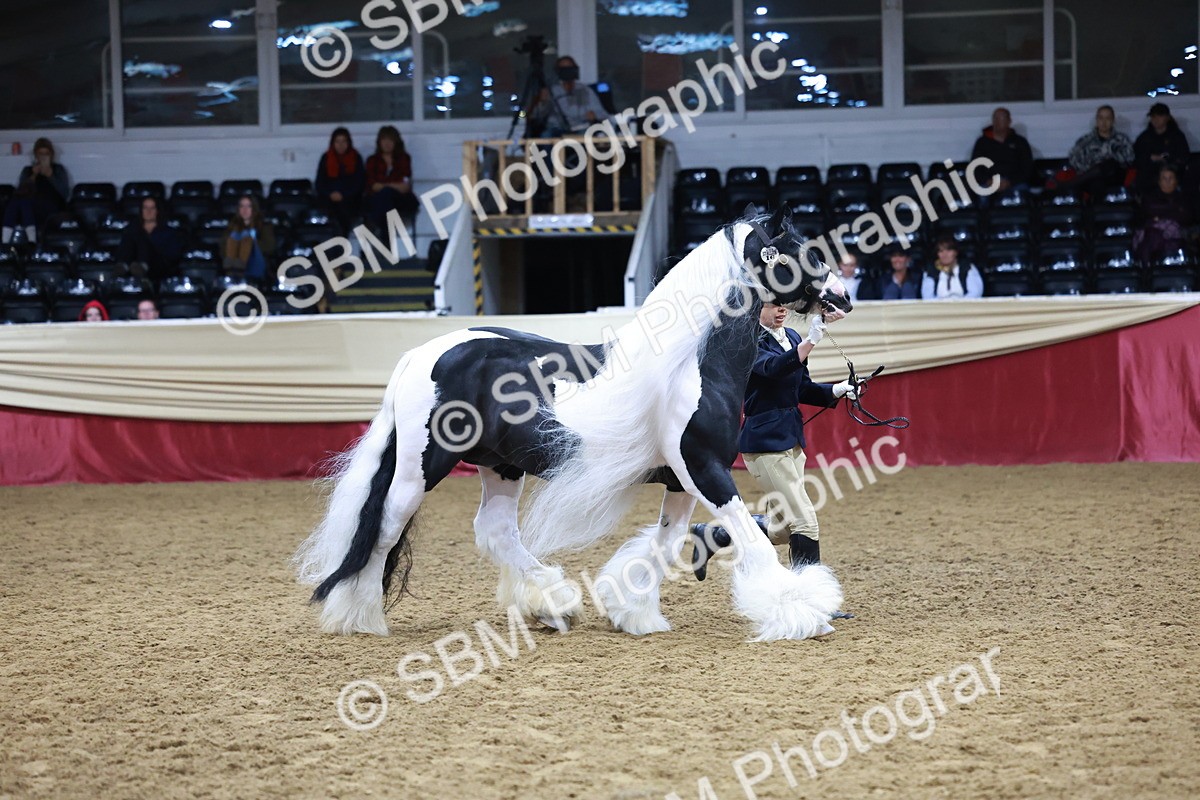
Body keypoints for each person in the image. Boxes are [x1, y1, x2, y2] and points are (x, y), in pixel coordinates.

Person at [690, 303, 858, 576]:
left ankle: (715, 535)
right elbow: (772, 368)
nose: (782, 311)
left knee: (781, 530)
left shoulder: (791, 336)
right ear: (757, 308)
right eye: (773, 306)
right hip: (765, 444)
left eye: (784, 306)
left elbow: (802, 388)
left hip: (792, 440)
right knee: (805, 522)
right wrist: (810, 342)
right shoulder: (746, 341)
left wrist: (836, 390)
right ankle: (810, 595)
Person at [1055, 105, 1135, 196]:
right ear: (1096, 120)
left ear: (1113, 121)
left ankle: (1070, 184)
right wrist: (1092, 168)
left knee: (1110, 164)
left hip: (1114, 176)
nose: (1104, 122)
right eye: (1101, 118)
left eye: (1108, 118)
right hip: (1090, 179)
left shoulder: (1121, 139)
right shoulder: (1085, 140)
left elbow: (1130, 158)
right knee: (1097, 183)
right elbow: (1073, 158)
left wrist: (1108, 156)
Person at [2, 137, 69, 244]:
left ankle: (25, 240)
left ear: (51, 155)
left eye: (46, 154)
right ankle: (7, 242)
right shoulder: (28, 170)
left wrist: (50, 175)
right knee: (18, 202)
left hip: (51, 206)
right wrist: (33, 176)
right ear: (36, 155)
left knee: (23, 202)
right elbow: (20, 191)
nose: (43, 157)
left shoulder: (58, 169)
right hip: (31, 205)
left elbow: (65, 192)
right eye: (40, 154)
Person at [527, 55, 609, 137]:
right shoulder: (552, 91)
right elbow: (535, 115)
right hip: (556, 130)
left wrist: (594, 115)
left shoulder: (585, 90)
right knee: (545, 136)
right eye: (563, 69)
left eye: (569, 68)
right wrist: (542, 101)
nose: (567, 71)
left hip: (581, 128)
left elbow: (603, 114)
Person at [364, 125, 419, 234]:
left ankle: (378, 234)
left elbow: (404, 187)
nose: (387, 143)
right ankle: (386, 236)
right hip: (377, 199)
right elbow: (373, 186)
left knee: (386, 194)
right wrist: (393, 186)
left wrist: (385, 186)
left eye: (390, 140)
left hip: (400, 199)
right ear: (379, 142)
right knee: (383, 201)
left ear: (396, 142)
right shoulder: (372, 160)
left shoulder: (404, 159)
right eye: (384, 140)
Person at [117, 196, 182, 283]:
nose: (148, 211)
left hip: (159, 268)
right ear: (141, 210)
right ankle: (124, 266)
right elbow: (123, 249)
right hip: (133, 265)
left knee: (144, 241)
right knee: (133, 235)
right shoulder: (132, 230)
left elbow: (173, 256)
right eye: (145, 208)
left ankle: (142, 266)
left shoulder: (168, 232)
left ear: (157, 211)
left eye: (152, 208)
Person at [1133, 165, 1192, 262]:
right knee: (1152, 236)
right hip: (1153, 234)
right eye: (1164, 178)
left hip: (1179, 234)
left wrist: (1160, 216)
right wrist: (1173, 212)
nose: (1167, 182)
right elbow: (1147, 213)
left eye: (1170, 178)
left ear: (1176, 181)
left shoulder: (1183, 198)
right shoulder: (1150, 198)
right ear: (1159, 181)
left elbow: (1187, 216)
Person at [970, 107, 1033, 198]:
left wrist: (1010, 182)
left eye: (1001, 119)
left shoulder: (1020, 142)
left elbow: (1027, 168)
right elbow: (975, 167)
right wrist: (988, 181)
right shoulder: (982, 142)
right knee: (981, 194)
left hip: (1014, 182)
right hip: (989, 181)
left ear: (1009, 121)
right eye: (995, 118)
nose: (997, 122)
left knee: (1022, 193)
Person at [315, 127, 365, 234]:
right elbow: (319, 183)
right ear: (333, 143)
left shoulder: (356, 158)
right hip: (329, 197)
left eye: (344, 141)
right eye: (337, 142)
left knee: (345, 209)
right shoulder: (326, 158)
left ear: (349, 143)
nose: (341, 145)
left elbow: (359, 183)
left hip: (350, 198)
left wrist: (344, 194)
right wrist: (330, 194)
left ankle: (342, 238)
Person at [1133, 102, 1190, 197]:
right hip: (1149, 175)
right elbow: (1137, 158)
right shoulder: (1144, 138)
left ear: (1167, 118)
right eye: (1153, 117)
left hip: (1172, 173)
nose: (1156, 120)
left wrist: (1168, 161)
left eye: (1159, 116)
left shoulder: (1177, 136)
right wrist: (1151, 158)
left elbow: (1183, 156)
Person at [222, 195, 276, 281]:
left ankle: (240, 265)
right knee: (235, 235)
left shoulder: (264, 226)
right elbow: (222, 247)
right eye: (242, 206)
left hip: (255, 262)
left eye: (248, 206)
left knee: (245, 236)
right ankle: (234, 268)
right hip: (233, 261)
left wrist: (250, 242)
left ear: (254, 208)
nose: (245, 209)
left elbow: (270, 246)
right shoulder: (231, 226)